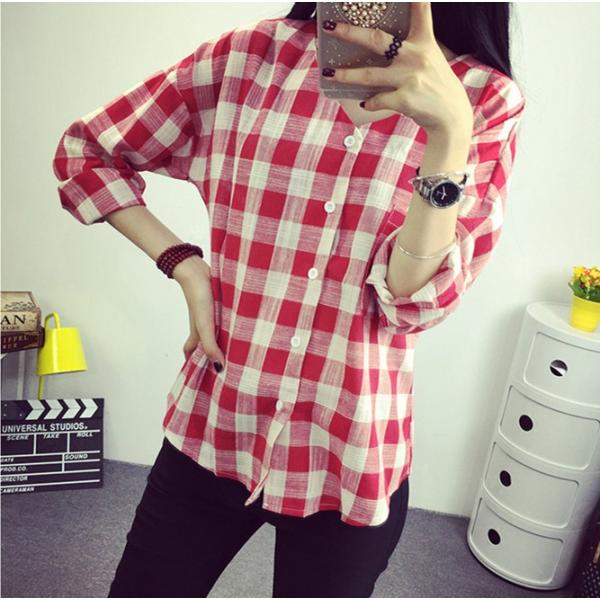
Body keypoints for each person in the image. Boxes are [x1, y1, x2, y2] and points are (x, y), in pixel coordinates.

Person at [51, 2, 526, 597]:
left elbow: (412, 303)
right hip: (218, 422)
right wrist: (184, 265)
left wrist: (448, 134)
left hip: (348, 449)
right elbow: (85, 153)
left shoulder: (483, 101)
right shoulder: (249, 58)